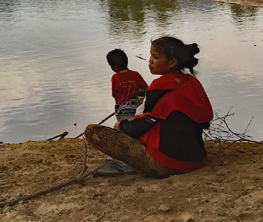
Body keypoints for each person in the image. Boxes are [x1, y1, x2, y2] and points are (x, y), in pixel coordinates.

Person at [85, 36, 213, 178]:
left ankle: (125, 164)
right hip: (197, 159)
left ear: (172, 62)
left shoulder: (160, 86)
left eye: (155, 57)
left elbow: (141, 126)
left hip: (167, 164)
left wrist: (121, 126)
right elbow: (204, 122)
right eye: (150, 55)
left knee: (92, 131)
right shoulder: (191, 83)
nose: (150, 60)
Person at [106, 48, 148, 121]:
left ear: (115, 67)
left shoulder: (115, 77)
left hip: (122, 110)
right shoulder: (136, 74)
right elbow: (146, 89)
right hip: (137, 108)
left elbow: (114, 95)